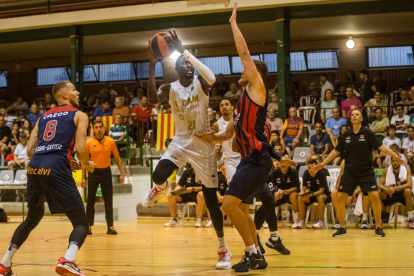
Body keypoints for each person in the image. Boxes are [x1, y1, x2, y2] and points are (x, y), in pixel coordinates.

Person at [199, 5, 295, 271]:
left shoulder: (257, 89)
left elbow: (244, 53)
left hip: (257, 159)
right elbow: (229, 133)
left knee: (228, 205)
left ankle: (254, 253)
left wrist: (233, 23)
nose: (240, 73)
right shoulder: (241, 101)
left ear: (256, 74)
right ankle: (256, 255)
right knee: (239, 207)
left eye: (245, 71)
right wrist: (211, 137)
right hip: (248, 160)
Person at [142, 30, 231, 270]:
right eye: (184, 65)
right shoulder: (169, 88)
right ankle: (162, 188)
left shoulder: (201, 84)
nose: (189, 68)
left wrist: (185, 52)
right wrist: (152, 66)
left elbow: (211, 77)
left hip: (202, 144)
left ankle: (223, 248)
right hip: (180, 141)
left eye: (191, 65)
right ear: (177, 69)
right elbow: (151, 100)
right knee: (158, 174)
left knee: (211, 199)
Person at [0, 81, 95, 276]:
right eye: (74, 89)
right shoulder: (79, 115)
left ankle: (4, 264)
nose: (78, 92)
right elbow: (81, 148)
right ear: (65, 95)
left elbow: (29, 150)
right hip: (56, 166)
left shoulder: (43, 117)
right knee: (81, 223)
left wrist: (60, 157)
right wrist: (87, 164)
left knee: (32, 219)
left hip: (35, 167)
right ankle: (68, 260)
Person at [312, 109, 404, 237]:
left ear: (361, 118)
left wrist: (395, 155)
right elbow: (335, 152)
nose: (354, 116)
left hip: (366, 172)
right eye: (353, 115)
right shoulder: (346, 135)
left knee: (375, 196)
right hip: (349, 172)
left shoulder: (367, 133)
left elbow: (381, 147)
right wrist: (322, 163)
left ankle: (378, 227)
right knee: (339, 197)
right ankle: (342, 227)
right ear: (350, 118)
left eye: (357, 115)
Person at [81, 120, 125, 235]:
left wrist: (122, 173)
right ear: (93, 129)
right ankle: (89, 226)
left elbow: (117, 157)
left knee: (108, 200)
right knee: (90, 200)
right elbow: (84, 161)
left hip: (106, 172)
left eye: (100, 127)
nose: (98, 129)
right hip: (93, 172)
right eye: (96, 127)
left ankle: (110, 226)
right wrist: (82, 178)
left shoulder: (110, 141)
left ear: (104, 128)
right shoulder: (89, 142)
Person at [378, 156, 413, 229]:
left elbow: (409, 184)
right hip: (390, 194)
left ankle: (410, 219)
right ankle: (379, 219)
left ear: (400, 162)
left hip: (402, 194)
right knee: (379, 192)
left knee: (408, 191)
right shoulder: (386, 170)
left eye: (397, 161)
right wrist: (386, 189)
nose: (395, 163)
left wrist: (396, 188)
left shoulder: (406, 169)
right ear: (391, 162)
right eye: (393, 161)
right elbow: (379, 185)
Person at [298, 159, 331, 229]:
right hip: (311, 195)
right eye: (309, 168)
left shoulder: (321, 173)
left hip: (324, 195)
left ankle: (321, 222)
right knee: (300, 198)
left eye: (313, 167)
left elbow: (321, 191)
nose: (311, 169)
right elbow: (303, 190)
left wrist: (311, 195)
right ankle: (302, 222)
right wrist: (301, 195)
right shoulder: (306, 173)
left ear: (316, 167)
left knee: (320, 197)